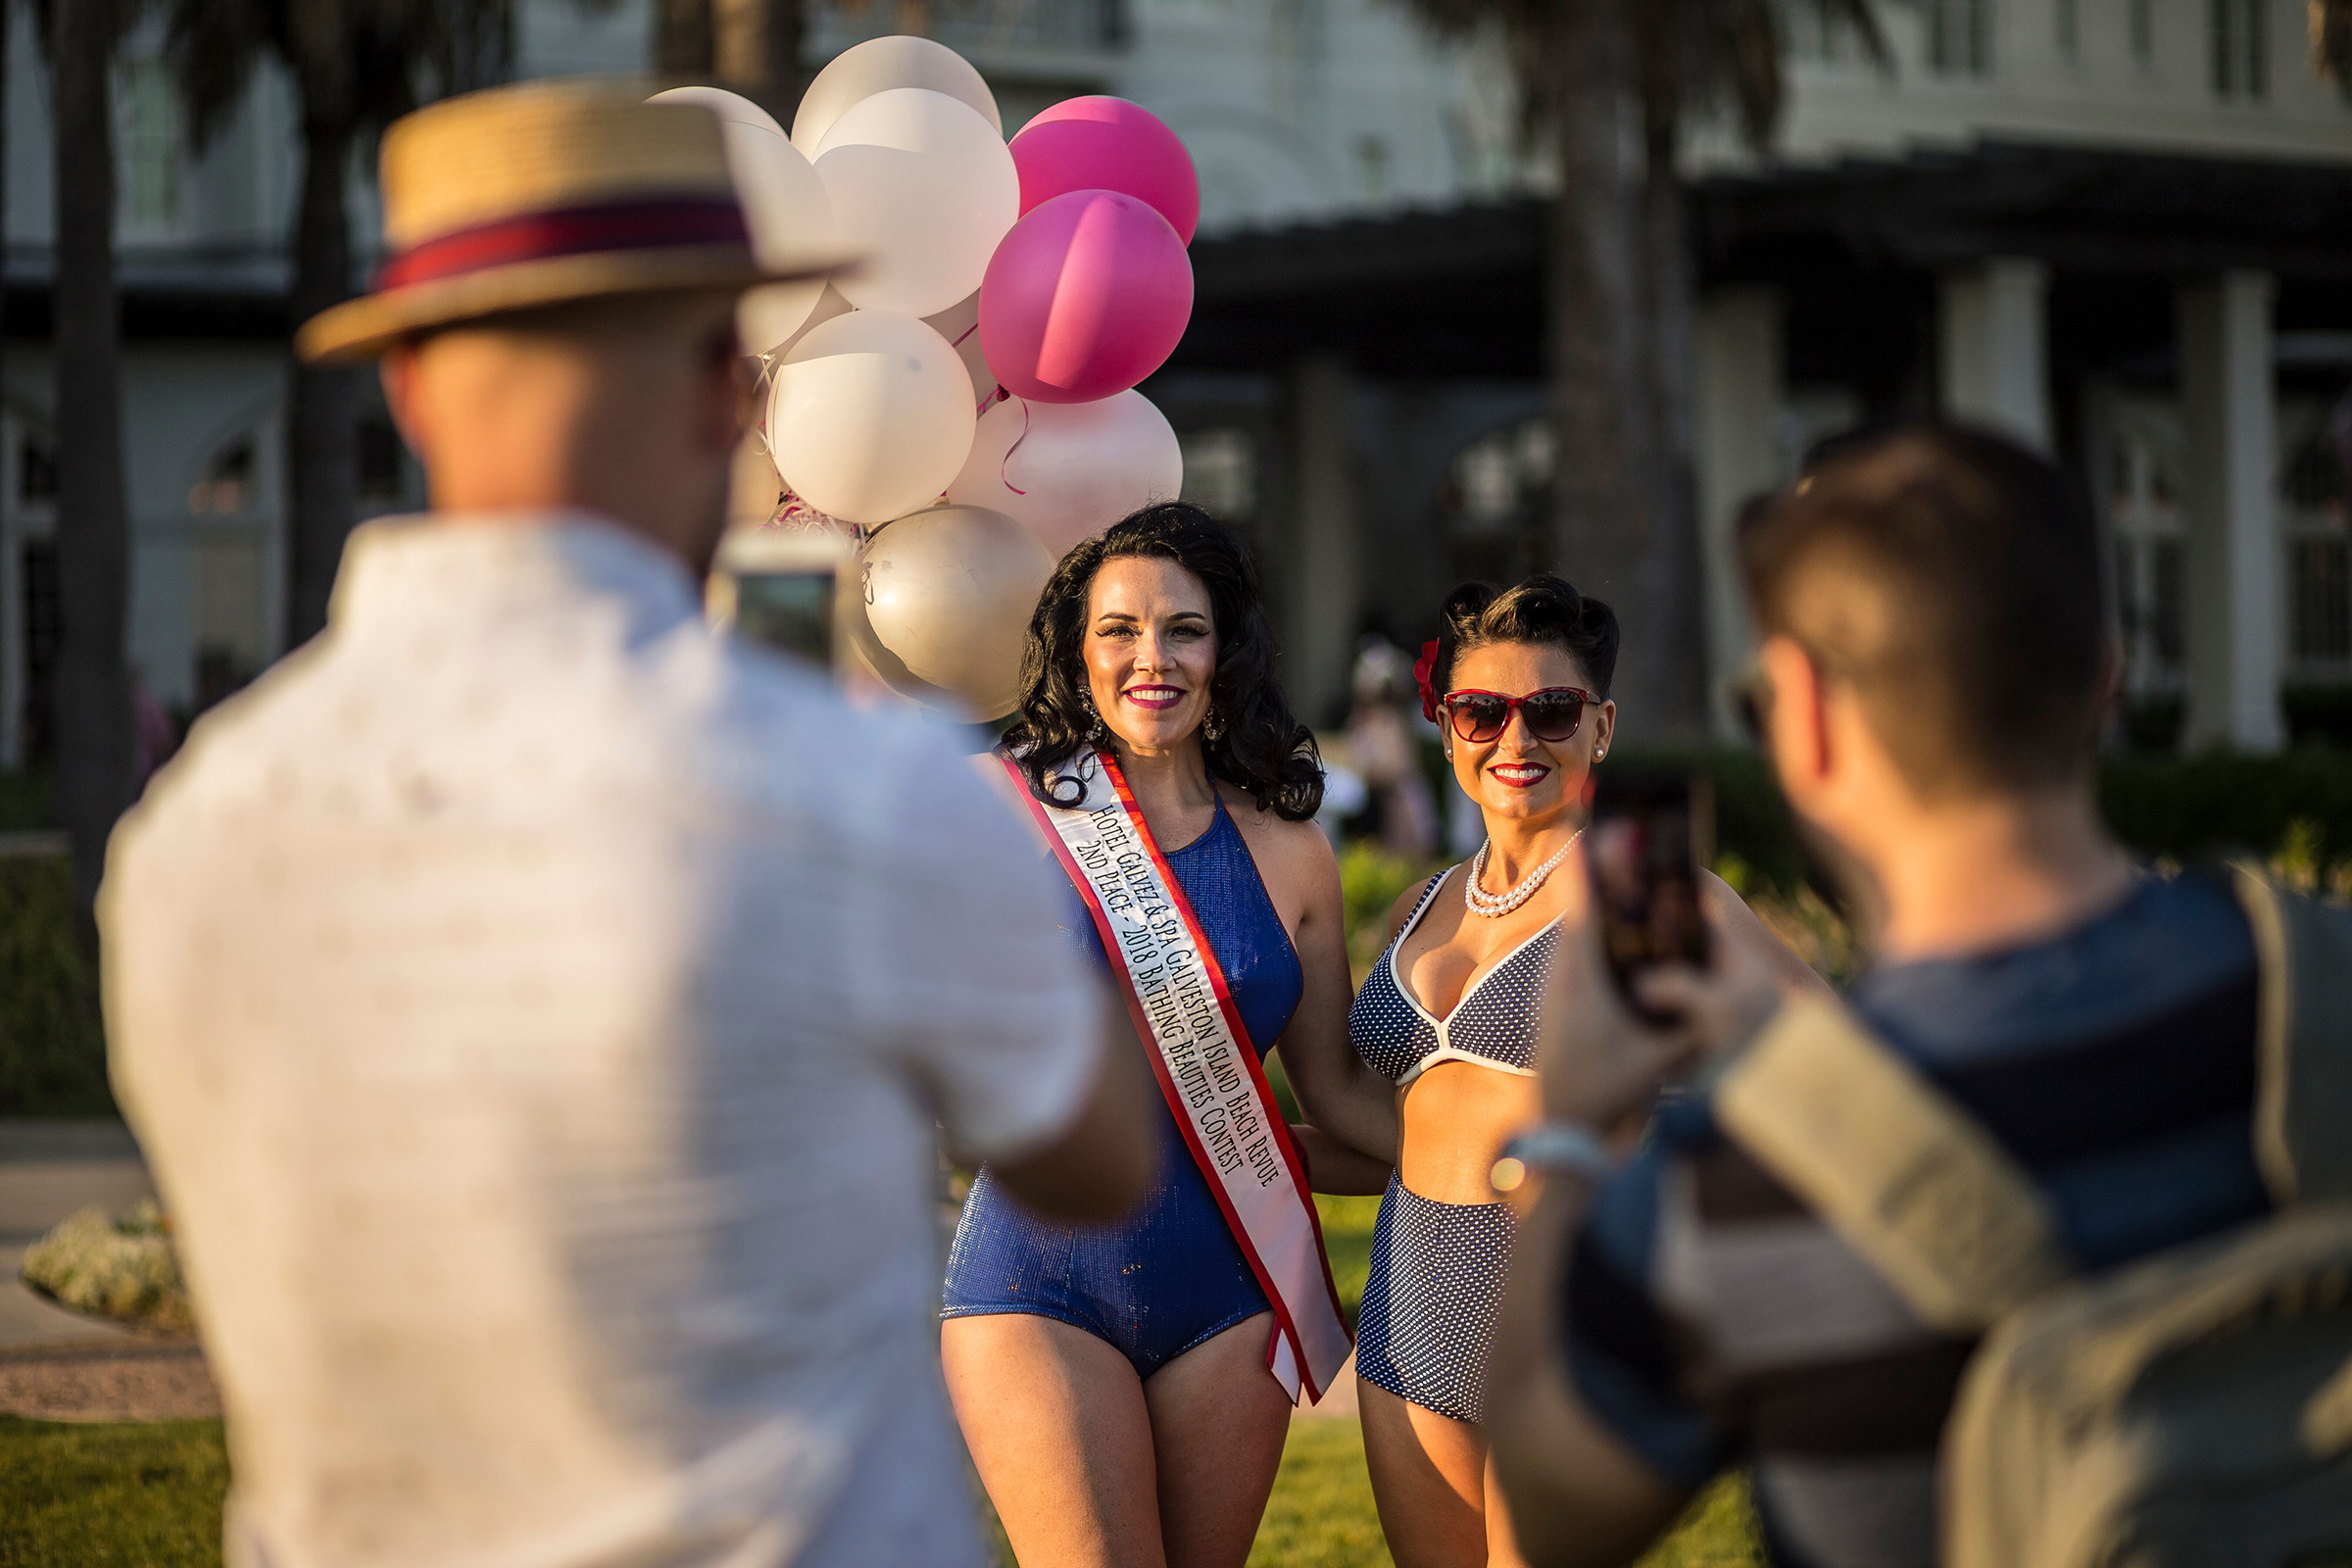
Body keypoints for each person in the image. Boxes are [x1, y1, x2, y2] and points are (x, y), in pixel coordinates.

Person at [101, 83, 1152, 1568]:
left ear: (407, 386)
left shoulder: (196, 830)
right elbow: (1100, 1158)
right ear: (729, 387)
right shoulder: (858, 795)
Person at [1483, 425, 2273, 1568]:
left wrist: (1560, 1142)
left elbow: (1554, 1513)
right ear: (2106, 675)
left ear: (1800, 718)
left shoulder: (1736, 1184)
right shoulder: (2316, 991)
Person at [942, 502, 1395, 1568]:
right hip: (1034, 1283)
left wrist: (1506, 1138)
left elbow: (1334, 1098)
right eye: (1119, 631)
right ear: (1077, 649)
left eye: (1184, 629)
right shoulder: (992, 806)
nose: (1153, 659)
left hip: (1230, 1299)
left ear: (1225, 648)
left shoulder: (1292, 853)